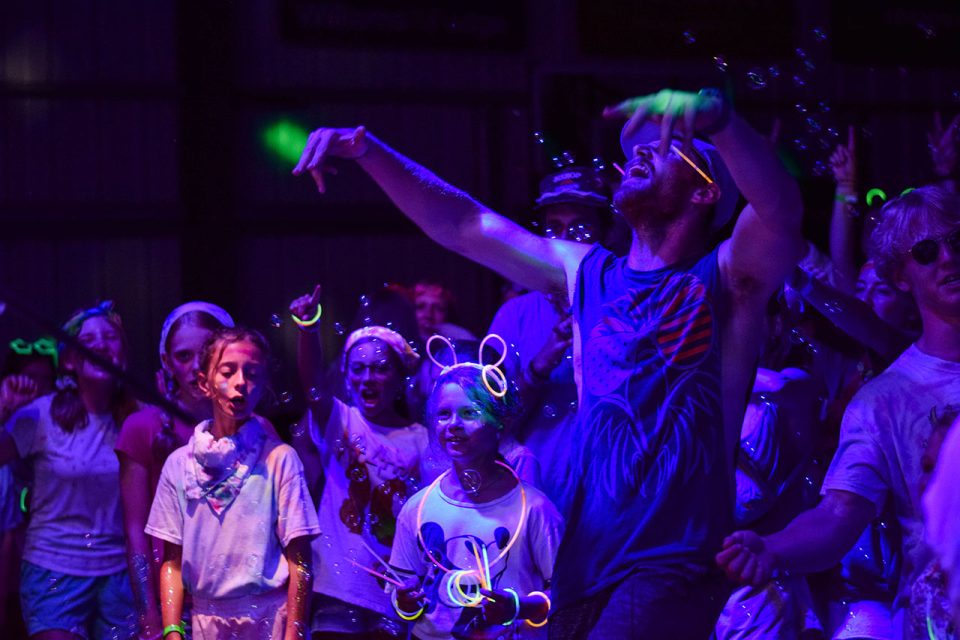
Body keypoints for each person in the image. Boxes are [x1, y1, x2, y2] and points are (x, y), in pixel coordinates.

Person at [293, 87, 804, 638]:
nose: (639, 151)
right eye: (636, 148)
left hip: (671, 560)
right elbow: (467, 226)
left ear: (706, 192)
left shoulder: (728, 280)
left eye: (666, 146)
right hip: (583, 561)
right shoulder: (587, 272)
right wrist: (370, 151)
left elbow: (781, 212)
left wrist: (721, 121)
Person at [717, 186, 960, 639]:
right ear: (900, 275)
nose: (948, 257)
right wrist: (771, 548)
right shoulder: (884, 400)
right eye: (927, 250)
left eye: (958, 242)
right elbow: (837, 517)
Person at [145, 326, 319, 639]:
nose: (241, 382)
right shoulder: (179, 465)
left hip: (269, 621)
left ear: (264, 384)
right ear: (204, 383)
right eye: (228, 371)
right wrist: (172, 630)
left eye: (252, 373)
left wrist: (294, 632)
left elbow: (301, 560)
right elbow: (171, 563)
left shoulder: (279, 459)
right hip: (205, 623)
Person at [389, 360, 563, 639]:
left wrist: (517, 607)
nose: (454, 425)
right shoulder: (417, 509)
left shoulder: (535, 509)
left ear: (499, 421)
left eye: (469, 412)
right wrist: (405, 603)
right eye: (444, 414)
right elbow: (401, 598)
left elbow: (564, 595)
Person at [288, 290, 428, 639]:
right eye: (359, 368)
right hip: (337, 588)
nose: (368, 378)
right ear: (347, 377)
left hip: (394, 591)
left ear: (399, 379)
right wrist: (308, 328)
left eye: (380, 369)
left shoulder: (422, 439)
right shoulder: (343, 420)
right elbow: (313, 386)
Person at [0, 301, 141, 639]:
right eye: (88, 340)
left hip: (120, 576)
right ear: (69, 360)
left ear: (123, 355)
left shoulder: (141, 420)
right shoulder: (38, 416)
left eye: (111, 337)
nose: (101, 345)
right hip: (54, 572)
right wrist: (3, 411)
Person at [115, 302, 245, 638]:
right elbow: (136, 532)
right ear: (166, 362)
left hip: (241, 596)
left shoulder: (254, 429)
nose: (194, 366)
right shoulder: (141, 427)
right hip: (173, 595)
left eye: (204, 352)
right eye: (183, 356)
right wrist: (150, 615)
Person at [488, 164, 610, 514]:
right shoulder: (514, 315)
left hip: (613, 511)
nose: (566, 239)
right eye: (554, 228)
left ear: (606, 234)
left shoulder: (624, 306)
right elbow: (488, 423)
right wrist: (540, 365)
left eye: (581, 228)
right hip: (534, 508)